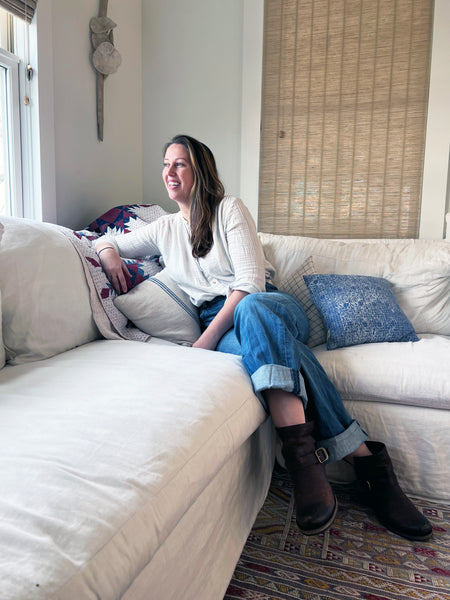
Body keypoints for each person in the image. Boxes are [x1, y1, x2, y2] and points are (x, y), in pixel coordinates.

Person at [95, 134, 432, 541]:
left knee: (256, 314)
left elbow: (251, 284)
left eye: (180, 164)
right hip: (220, 322)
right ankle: (368, 465)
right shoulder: (163, 229)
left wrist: (204, 343)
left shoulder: (229, 210)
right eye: (165, 164)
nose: (169, 172)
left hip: (271, 306)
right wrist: (111, 254)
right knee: (279, 356)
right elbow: (105, 241)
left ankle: (304, 463)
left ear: (200, 171)